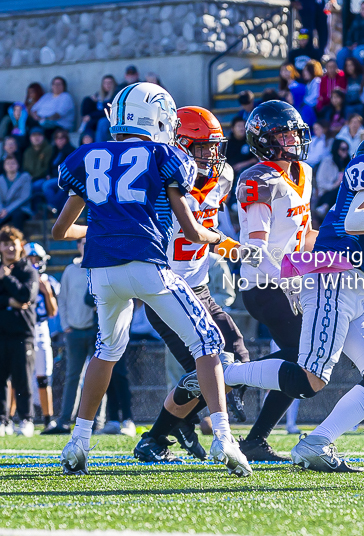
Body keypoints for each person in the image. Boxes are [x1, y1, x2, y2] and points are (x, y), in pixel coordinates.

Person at [221, 101, 364, 472]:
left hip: (356, 287)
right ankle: (225, 372)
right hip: (332, 276)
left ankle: (317, 442)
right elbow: (357, 221)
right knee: (308, 379)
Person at [53, 82, 252, 477]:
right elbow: (193, 232)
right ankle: (224, 437)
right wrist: (221, 240)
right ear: (158, 118)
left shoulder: (89, 155)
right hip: (147, 266)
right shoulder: (163, 154)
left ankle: (78, 441)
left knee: (107, 349)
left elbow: (61, 231)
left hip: (101, 271)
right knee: (209, 341)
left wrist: (103, 232)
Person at [133, 106, 255, 463]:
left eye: (214, 147)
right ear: (180, 144)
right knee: (212, 370)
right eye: (202, 148)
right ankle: (160, 436)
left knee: (236, 354)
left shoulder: (223, 177)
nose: (211, 156)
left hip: (199, 286)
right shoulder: (161, 184)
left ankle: (166, 432)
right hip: (167, 289)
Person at [40, 238, 97, 435]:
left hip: (95, 330)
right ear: (77, 246)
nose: (85, 244)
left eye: (88, 240)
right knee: (73, 376)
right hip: (74, 331)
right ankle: (65, 420)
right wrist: (66, 326)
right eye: (82, 241)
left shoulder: (100, 265)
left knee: (98, 377)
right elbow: (62, 299)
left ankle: (98, 421)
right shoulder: (70, 270)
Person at [0, 226, 39, 438]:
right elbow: (15, 299)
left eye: (13, 243)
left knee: (22, 380)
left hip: (22, 335)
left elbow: (26, 295)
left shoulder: (27, 270)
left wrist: (6, 278)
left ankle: (26, 419)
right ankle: (2, 421)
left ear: (20, 245)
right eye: (5, 243)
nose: (9, 247)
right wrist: (8, 301)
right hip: (1, 335)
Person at [24, 243, 60, 431]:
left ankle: (48, 419)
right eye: (29, 259)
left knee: (43, 376)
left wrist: (46, 291)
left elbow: (53, 311)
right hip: (22, 329)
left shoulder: (49, 281)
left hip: (41, 328)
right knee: (19, 376)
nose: (33, 263)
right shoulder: (20, 278)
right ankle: (15, 418)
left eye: (36, 259)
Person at [337, 0, 364, 68]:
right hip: (354, 45)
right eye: (361, 9)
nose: (363, 11)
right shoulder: (357, 19)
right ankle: (343, 76)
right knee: (341, 54)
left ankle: (360, 75)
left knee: (357, 54)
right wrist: (349, 44)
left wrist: (358, 44)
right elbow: (351, 33)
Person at [315, 138, 350, 219]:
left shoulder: (348, 162)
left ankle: (325, 206)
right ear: (336, 149)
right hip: (326, 193)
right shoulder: (327, 161)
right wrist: (335, 184)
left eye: (347, 149)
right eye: (343, 149)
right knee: (339, 189)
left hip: (344, 192)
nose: (345, 151)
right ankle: (325, 206)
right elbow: (320, 182)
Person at [42, 128, 76, 213]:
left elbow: (71, 168)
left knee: (46, 185)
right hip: (54, 177)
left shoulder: (71, 150)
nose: (59, 141)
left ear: (66, 139)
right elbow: (50, 165)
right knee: (37, 186)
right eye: (57, 138)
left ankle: (53, 206)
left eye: (62, 138)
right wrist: (48, 174)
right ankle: (53, 209)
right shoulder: (54, 150)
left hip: (66, 178)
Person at [80, 74, 117, 143]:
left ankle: (99, 145)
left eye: (110, 83)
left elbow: (108, 111)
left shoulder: (116, 94)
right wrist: (91, 100)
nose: (107, 85)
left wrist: (91, 116)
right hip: (98, 117)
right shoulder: (99, 95)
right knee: (87, 100)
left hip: (111, 119)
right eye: (105, 83)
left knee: (101, 122)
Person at [0, 155, 32, 229]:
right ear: (4, 166)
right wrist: (1, 211)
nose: (10, 166)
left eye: (13, 163)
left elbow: (24, 197)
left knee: (17, 215)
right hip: (4, 210)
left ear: (18, 165)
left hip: (21, 208)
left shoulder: (25, 177)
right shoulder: (1, 179)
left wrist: (7, 210)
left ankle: (19, 239)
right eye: (8, 163)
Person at [301, 60, 324, 125]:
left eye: (306, 70)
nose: (304, 73)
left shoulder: (317, 81)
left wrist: (304, 102)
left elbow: (315, 96)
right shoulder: (308, 83)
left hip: (315, 108)